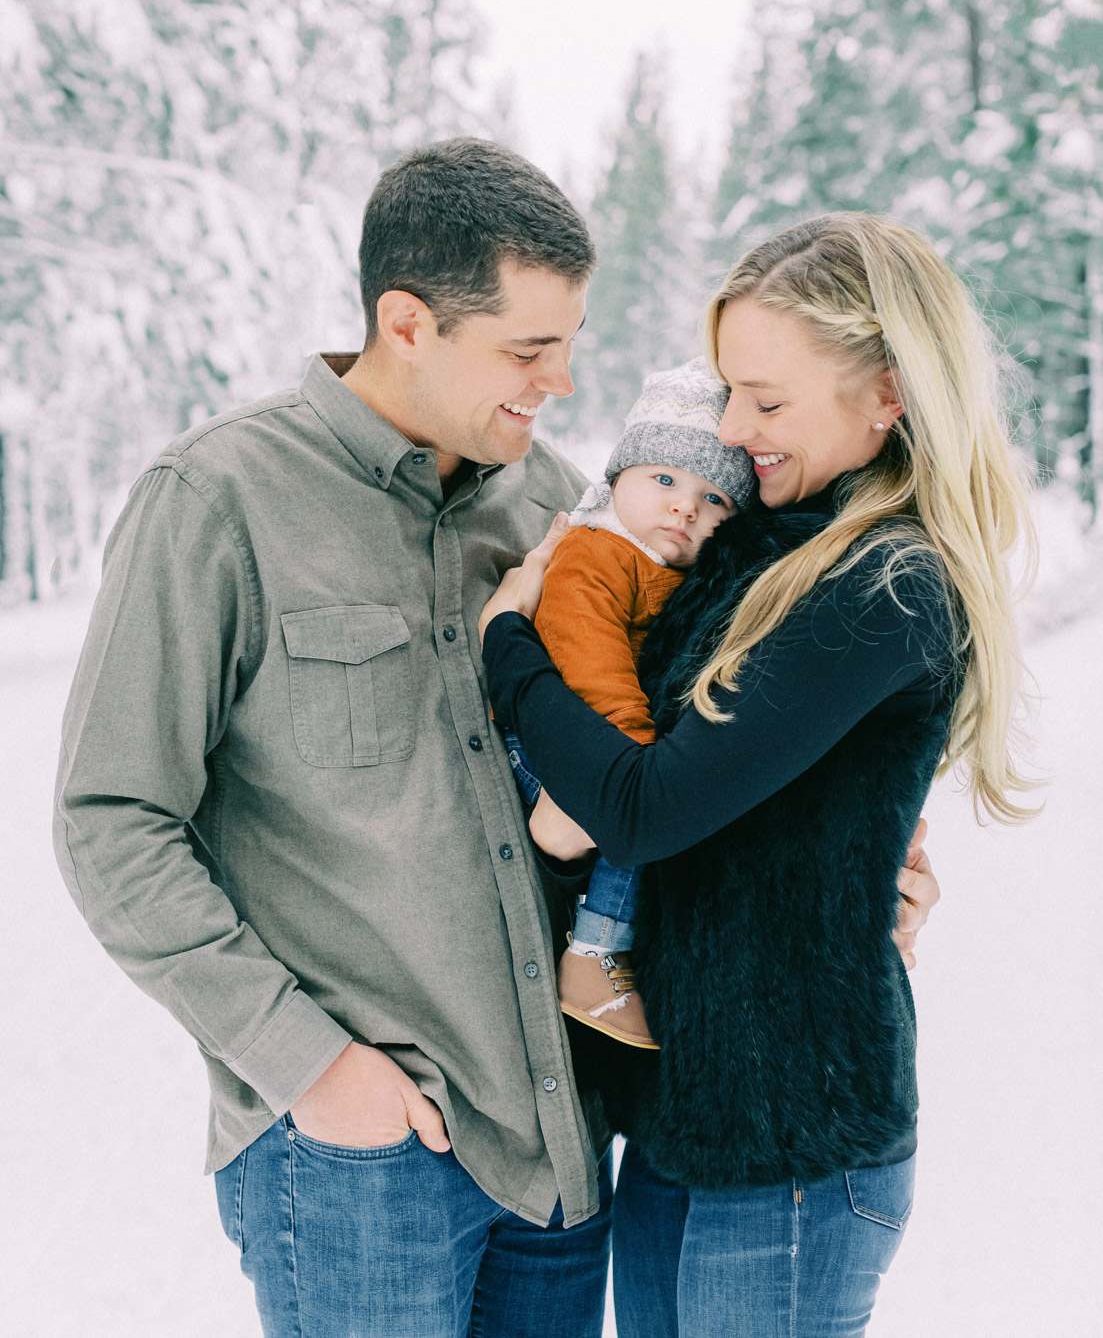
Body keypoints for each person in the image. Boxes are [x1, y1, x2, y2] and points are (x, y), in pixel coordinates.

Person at [53, 141, 939, 1338]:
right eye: (529, 350)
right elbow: (113, 820)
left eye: (569, 342)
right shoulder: (219, 501)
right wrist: (309, 1065)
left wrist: (861, 849)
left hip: (558, 1151)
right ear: (406, 322)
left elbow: (695, 743)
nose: (561, 382)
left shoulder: (561, 506)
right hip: (367, 1151)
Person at [479, 212, 1034, 1336]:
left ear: (886, 392)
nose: (734, 429)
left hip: (790, 1135)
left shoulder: (887, 584)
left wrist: (507, 651)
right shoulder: (756, 539)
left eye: (765, 403)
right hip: (680, 1120)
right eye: (730, 391)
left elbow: (646, 803)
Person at [504, 356, 755, 1048]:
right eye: (665, 480)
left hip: (601, 738)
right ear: (618, 480)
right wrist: (633, 751)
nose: (684, 505)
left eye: (714, 500)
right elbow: (584, 653)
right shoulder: (596, 553)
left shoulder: (672, 574)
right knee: (636, 821)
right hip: (556, 740)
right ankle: (596, 954)